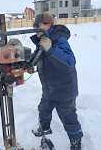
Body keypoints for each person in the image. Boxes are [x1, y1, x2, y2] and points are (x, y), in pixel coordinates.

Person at [30, 13, 83, 150]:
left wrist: (51, 49)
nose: (36, 28)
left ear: (48, 24)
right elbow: (39, 57)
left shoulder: (59, 39)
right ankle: (44, 128)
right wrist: (30, 64)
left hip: (64, 89)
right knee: (43, 109)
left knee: (68, 117)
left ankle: (76, 142)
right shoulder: (43, 40)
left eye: (39, 25)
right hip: (49, 88)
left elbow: (69, 61)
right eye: (35, 26)